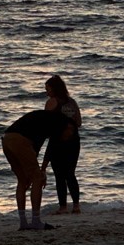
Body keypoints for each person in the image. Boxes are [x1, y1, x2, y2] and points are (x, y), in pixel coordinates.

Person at [1, 109, 73, 230]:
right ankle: (35, 221)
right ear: (67, 126)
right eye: (71, 131)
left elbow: (34, 149)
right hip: (19, 140)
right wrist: (41, 172)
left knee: (23, 181)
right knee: (37, 178)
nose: (70, 134)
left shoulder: (45, 120)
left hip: (7, 139)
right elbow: (48, 149)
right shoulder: (57, 124)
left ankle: (23, 222)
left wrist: (38, 170)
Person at [42, 75, 82, 214]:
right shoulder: (72, 102)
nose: (47, 92)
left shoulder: (51, 102)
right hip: (74, 142)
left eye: (48, 89)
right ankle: (76, 206)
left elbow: (46, 123)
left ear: (54, 89)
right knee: (70, 173)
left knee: (59, 175)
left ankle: (63, 207)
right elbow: (79, 123)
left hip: (57, 142)